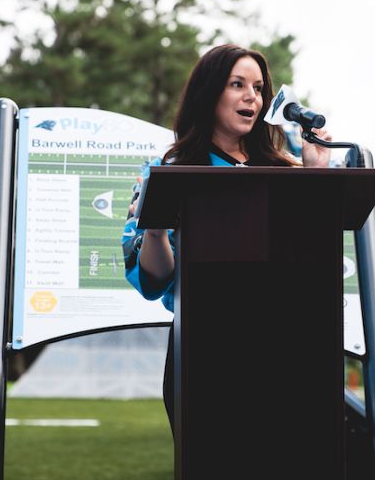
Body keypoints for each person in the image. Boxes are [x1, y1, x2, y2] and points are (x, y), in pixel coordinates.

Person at [121, 44, 332, 430]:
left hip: (284, 347)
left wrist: (313, 176)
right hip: (203, 350)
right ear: (210, 92)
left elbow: (309, 257)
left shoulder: (285, 172)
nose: (252, 95)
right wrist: (154, 227)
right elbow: (153, 283)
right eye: (238, 84)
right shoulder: (167, 171)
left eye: (258, 87)